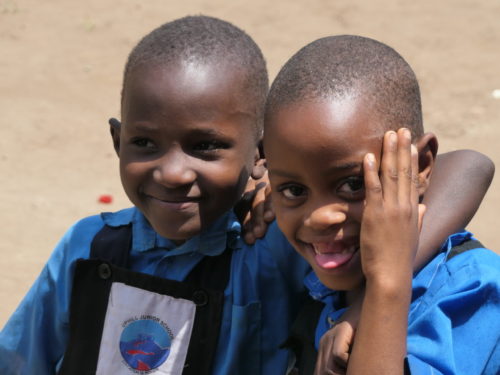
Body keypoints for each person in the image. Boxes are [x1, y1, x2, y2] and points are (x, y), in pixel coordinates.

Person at [0, 16, 494, 375]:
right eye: (145, 143)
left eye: (206, 147)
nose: (173, 173)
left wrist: (379, 290)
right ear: (116, 140)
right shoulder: (88, 250)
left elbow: (468, 166)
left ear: (257, 154)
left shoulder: (275, 244)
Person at [263, 34, 500, 375]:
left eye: (354, 184)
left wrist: (386, 286)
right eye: (293, 190)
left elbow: (473, 165)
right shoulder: (307, 265)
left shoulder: (472, 292)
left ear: (419, 166)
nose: (320, 216)